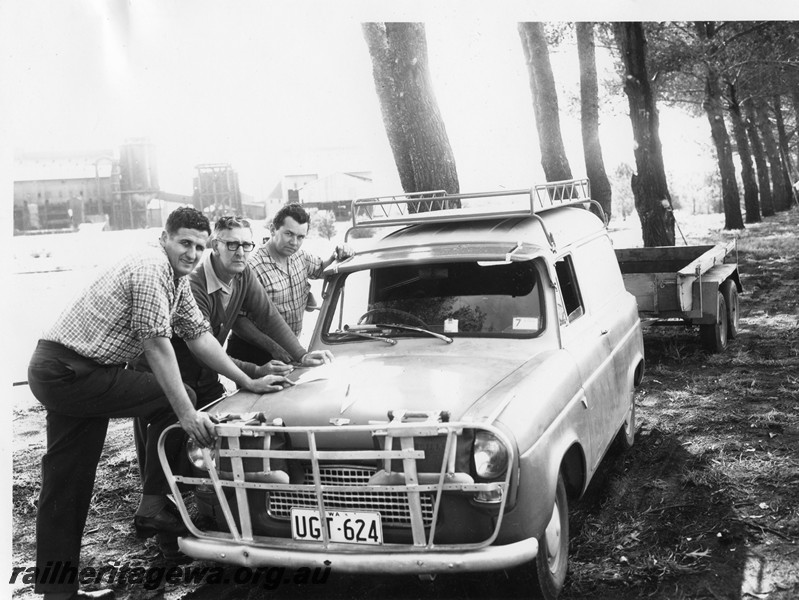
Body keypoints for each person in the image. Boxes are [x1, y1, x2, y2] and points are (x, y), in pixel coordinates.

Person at [26, 207, 292, 600]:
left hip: (68, 371)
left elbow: (200, 337)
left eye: (200, 247)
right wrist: (186, 412)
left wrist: (248, 379)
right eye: (185, 242)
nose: (192, 253)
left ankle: (56, 591)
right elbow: (156, 345)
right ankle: (152, 506)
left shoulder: (176, 277)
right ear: (164, 237)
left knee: (67, 483)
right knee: (177, 394)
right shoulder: (151, 268)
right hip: (68, 370)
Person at [130, 216, 332, 530]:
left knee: (215, 439)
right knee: (165, 451)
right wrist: (254, 372)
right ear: (215, 245)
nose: (240, 252)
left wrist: (302, 355)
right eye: (232, 244)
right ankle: (163, 530)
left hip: (204, 376)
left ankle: (211, 516)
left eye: (246, 245)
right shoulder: (194, 283)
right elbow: (204, 345)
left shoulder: (243, 274)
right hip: (167, 374)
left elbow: (268, 315)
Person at [226, 203, 354, 365]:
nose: (294, 242)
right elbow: (237, 320)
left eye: (300, 237)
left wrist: (340, 252)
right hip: (254, 352)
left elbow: (323, 269)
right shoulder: (252, 267)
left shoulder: (301, 257)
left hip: (289, 349)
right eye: (289, 234)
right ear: (273, 230)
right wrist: (274, 348)